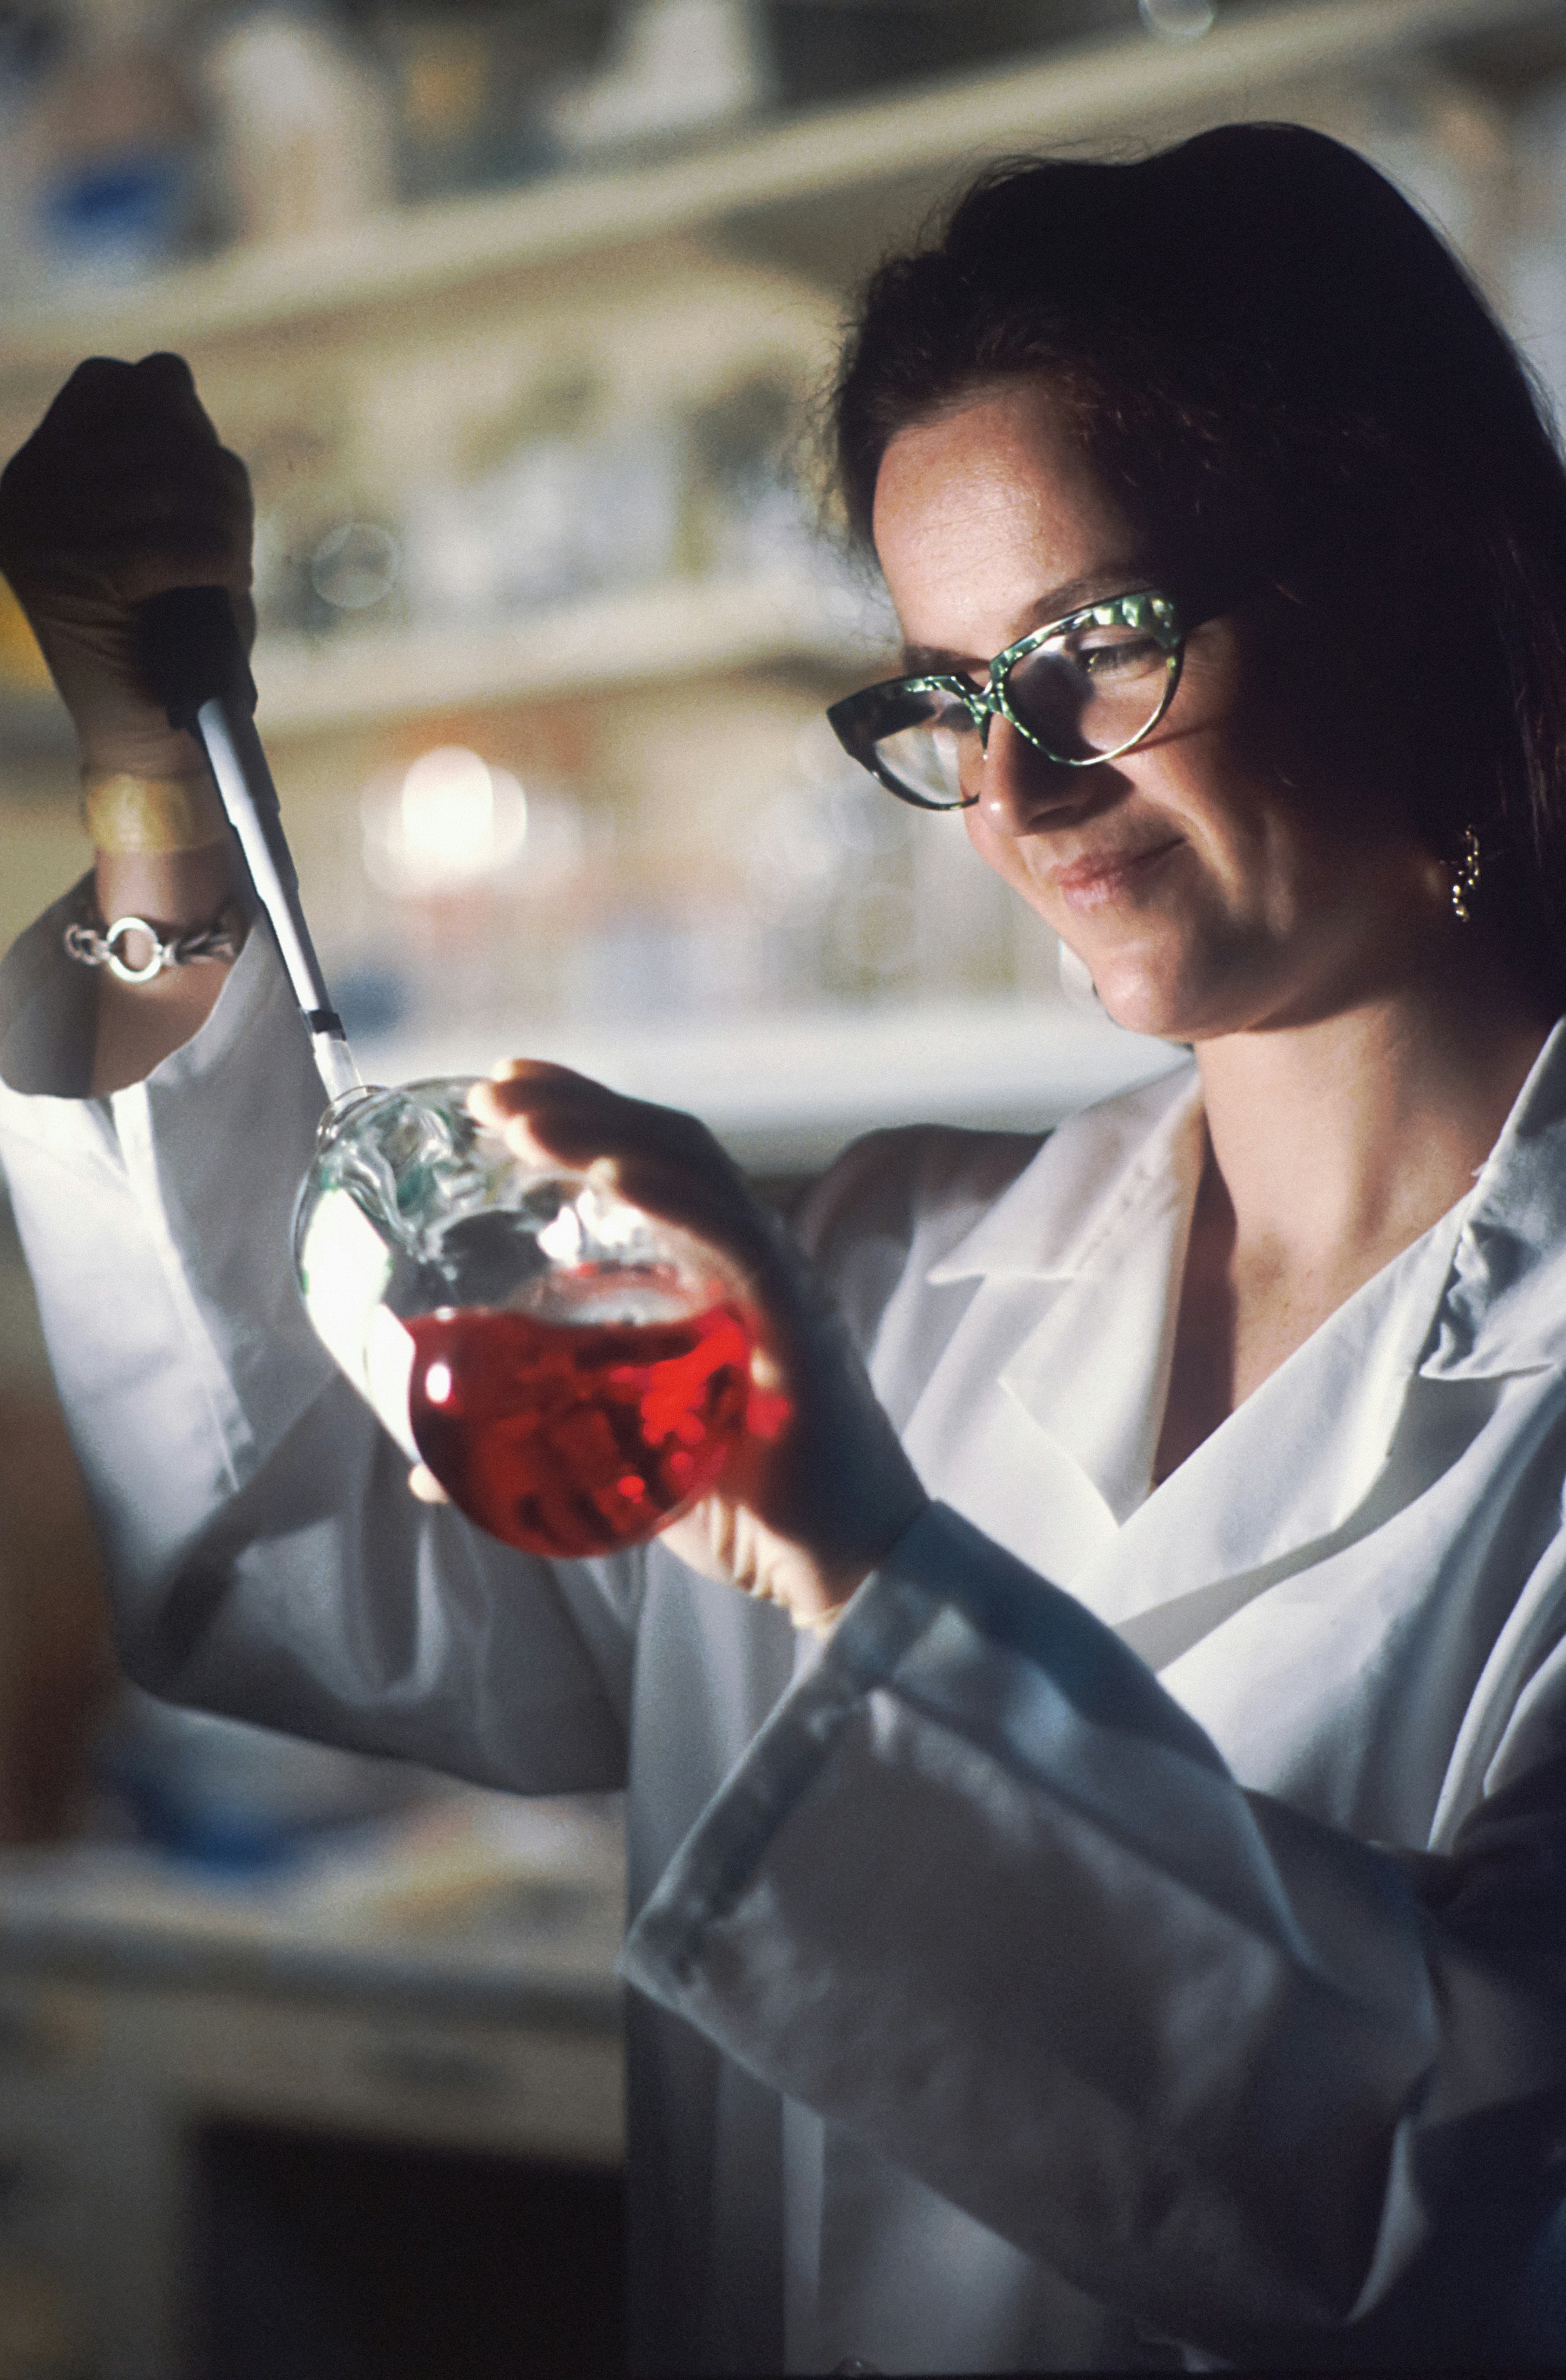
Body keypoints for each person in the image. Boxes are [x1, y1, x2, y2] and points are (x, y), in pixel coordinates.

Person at [2, 121, 1566, 2372]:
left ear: (1400, 574)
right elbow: (287, 1569)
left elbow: (1462, 2207)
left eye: (1090, 651)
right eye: (946, 694)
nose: (1013, 792)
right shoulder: (894, 1260)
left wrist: (841, 1546)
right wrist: (154, 781)